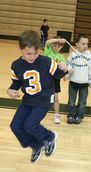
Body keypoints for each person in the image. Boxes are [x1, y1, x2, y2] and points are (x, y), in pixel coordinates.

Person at [7, 30, 68, 163]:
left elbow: (58, 75)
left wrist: (64, 69)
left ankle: (50, 137)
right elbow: (16, 83)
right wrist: (11, 90)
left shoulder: (46, 61)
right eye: (28, 53)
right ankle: (36, 145)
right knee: (15, 126)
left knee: (30, 125)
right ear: (20, 48)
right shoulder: (16, 65)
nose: (33, 56)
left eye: (36, 53)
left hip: (43, 100)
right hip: (28, 101)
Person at [66, 34, 91, 124]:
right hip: (73, 82)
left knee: (82, 102)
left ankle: (79, 116)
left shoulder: (89, 57)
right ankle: (71, 115)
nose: (85, 46)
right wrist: (69, 69)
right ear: (77, 44)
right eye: (83, 44)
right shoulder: (72, 55)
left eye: (87, 44)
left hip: (84, 84)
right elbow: (67, 63)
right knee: (71, 101)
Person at [43, 36, 66, 124]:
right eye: (55, 45)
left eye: (59, 46)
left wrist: (65, 74)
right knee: (43, 96)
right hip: (45, 78)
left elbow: (64, 67)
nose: (56, 48)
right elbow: (47, 42)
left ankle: (56, 115)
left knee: (56, 97)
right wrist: (59, 40)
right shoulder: (48, 51)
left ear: (61, 47)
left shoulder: (61, 56)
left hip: (55, 79)